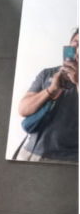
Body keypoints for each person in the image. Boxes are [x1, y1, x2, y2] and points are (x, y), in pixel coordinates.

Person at [17, 28, 79, 163]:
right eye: (76, 44)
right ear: (69, 46)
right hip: (30, 153)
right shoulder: (48, 73)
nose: (78, 50)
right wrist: (51, 90)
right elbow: (23, 110)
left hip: (69, 161)